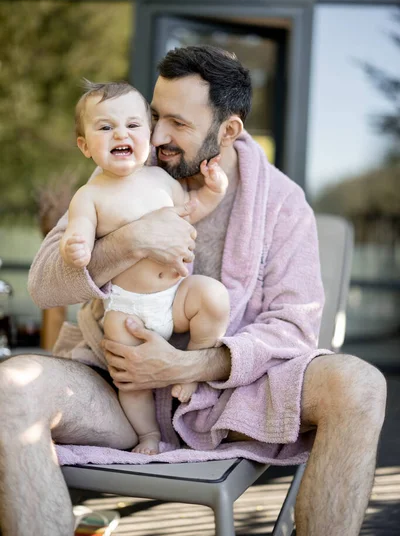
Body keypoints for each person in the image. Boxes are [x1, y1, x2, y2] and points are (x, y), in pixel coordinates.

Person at [0, 45, 386, 536]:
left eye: (178, 124)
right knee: (10, 387)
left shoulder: (282, 204)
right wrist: (129, 241)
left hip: (229, 399)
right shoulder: (123, 173)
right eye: (155, 115)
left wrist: (190, 364)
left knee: (360, 384)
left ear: (228, 130)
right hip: (118, 385)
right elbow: (43, 284)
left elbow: (293, 327)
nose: (156, 135)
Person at [60, 79, 230, 455]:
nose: (121, 132)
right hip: (128, 308)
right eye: (106, 127)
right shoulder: (89, 195)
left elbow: (191, 212)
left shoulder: (160, 180)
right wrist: (77, 245)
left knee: (213, 296)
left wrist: (213, 192)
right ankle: (149, 435)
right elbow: (80, 232)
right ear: (86, 146)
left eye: (133, 125)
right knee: (129, 377)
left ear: (148, 135)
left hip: (175, 298)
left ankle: (193, 360)